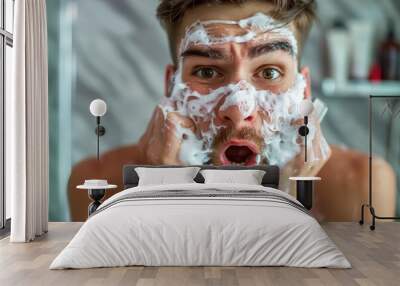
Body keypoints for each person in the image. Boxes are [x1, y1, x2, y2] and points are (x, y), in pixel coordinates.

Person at [68, 0, 396, 222]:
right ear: (171, 87)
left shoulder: (360, 185)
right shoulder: (100, 184)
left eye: (269, 73)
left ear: (304, 90)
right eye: (208, 72)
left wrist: (294, 195)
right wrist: (162, 190)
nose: (238, 110)